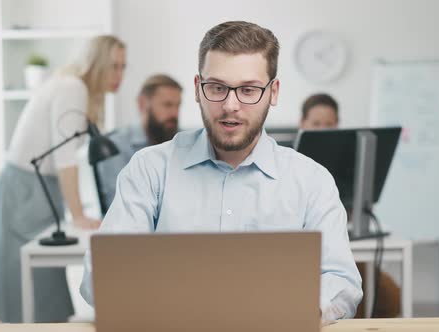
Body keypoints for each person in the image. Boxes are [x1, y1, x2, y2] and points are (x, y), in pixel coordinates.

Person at [80, 21, 362, 322]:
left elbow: (341, 279)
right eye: (217, 87)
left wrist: (299, 310)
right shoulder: (150, 170)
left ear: (273, 92)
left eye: (249, 90)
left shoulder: (311, 180)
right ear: (198, 89)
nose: (231, 105)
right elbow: (100, 278)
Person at [0, 35, 126, 323]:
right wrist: (78, 215)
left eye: (123, 67)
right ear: (96, 63)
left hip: (35, 191)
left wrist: (77, 211)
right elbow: (65, 159)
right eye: (113, 66)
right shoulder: (72, 88)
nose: (120, 75)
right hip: (25, 192)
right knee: (29, 298)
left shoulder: (75, 88)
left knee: (41, 295)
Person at [299, 92, 401, 318]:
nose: (323, 130)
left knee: (390, 296)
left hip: (343, 249)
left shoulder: (349, 158)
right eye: (316, 124)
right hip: (304, 256)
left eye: (329, 124)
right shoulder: (292, 167)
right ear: (303, 124)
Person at [97, 74, 182, 211]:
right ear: (143, 104)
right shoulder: (116, 145)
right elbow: (118, 204)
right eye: (167, 105)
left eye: (178, 106)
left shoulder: (183, 142)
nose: (174, 114)